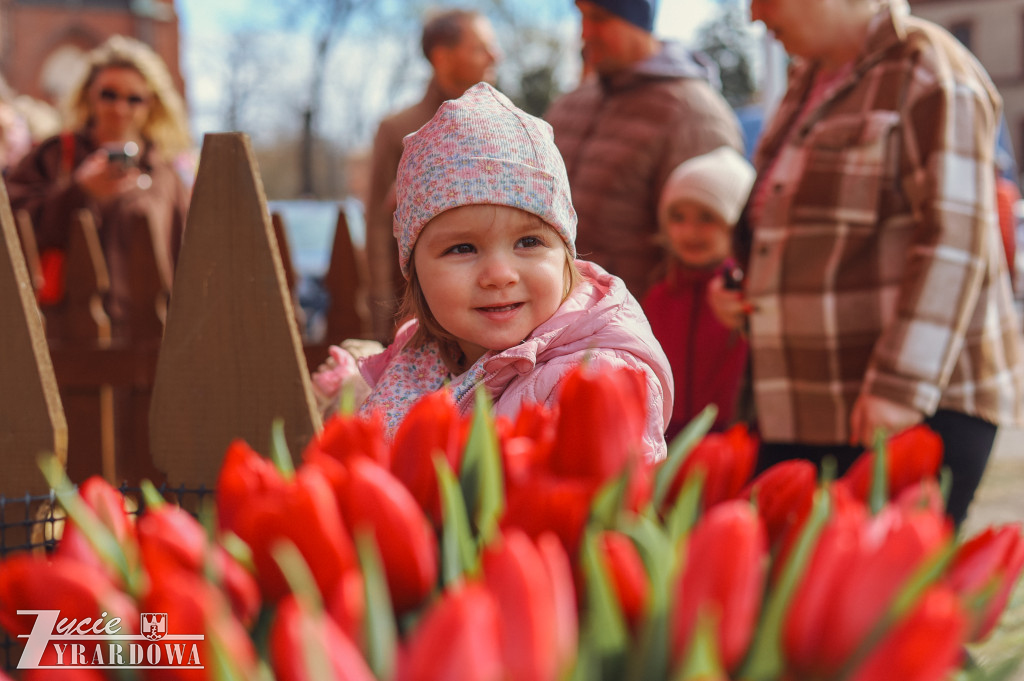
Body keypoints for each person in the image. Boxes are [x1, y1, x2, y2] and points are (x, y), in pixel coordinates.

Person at [708, 0, 1024, 526]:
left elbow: (954, 240)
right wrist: (740, 287)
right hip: (805, 401)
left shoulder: (929, 67)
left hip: (908, 409)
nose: (755, 16)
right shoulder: (805, 80)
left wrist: (899, 387)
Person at [314, 82, 673, 460]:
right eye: (463, 248)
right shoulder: (423, 353)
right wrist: (356, 398)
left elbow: (606, 508)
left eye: (529, 242)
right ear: (413, 269)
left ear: (564, 252)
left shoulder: (594, 379)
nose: (500, 274)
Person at [544, 0, 744, 300]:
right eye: (582, 17)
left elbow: (708, 259)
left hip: (634, 331)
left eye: (599, 18)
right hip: (556, 323)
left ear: (637, 21)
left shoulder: (692, 113)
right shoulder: (572, 103)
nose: (585, 32)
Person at [6, 34, 192, 336]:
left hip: (148, 337)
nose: (120, 108)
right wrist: (78, 191)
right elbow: (12, 226)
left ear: (151, 105)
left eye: (134, 98)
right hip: (63, 332)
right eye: (109, 94)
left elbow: (187, 258)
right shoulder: (54, 155)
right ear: (89, 96)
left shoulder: (165, 174)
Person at [365, 9, 501, 343]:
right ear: (442, 56)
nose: (495, 56)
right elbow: (378, 226)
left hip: (497, 306)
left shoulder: (504, 128)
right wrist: (386, 309)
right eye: (479, 47)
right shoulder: (398, 130)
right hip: (423, 316)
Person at [642, 147, 755, 441]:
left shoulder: (740, 298)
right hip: (664, 436)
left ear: (736, 227)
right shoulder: (659, 295)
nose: (690, 232)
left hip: (730, 437)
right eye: (678, 217)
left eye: (707, 218)